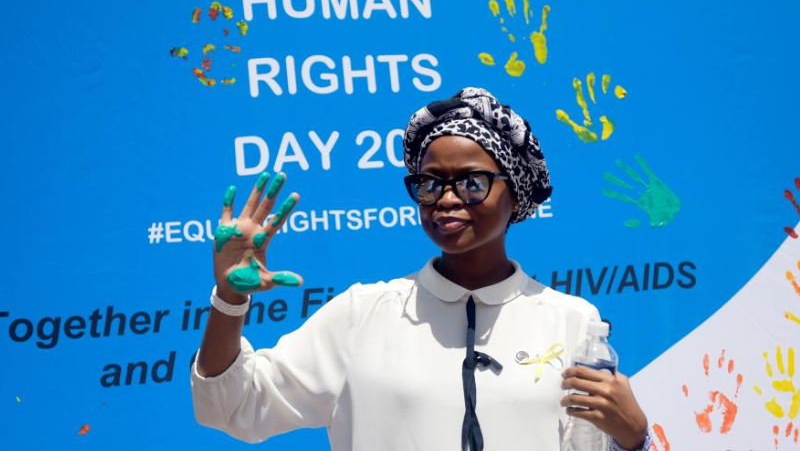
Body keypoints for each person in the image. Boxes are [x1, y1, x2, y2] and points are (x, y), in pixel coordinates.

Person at [190, 87, 651, 451]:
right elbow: (234, 406)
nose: (447, 199)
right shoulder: (362, 314)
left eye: (472, 182)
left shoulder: (571, 321)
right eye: (430, 183)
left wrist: (632, 438)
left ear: (515, 195)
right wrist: (229, 301)